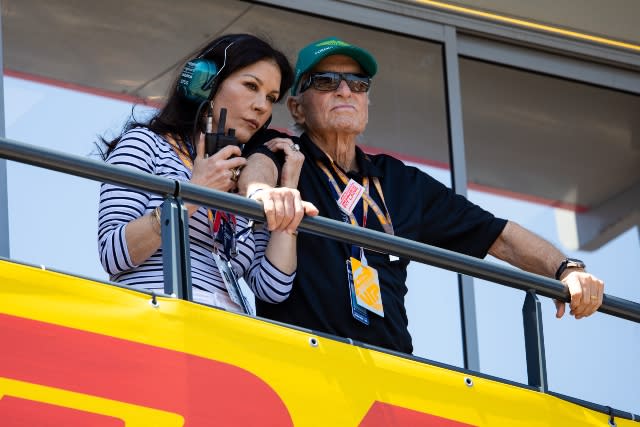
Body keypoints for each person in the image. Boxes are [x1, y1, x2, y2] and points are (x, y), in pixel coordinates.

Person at [239, 37, 605, 354]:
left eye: (358, 83)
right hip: (302, 358)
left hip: (392, 370)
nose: (345, 90)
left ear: (367, 102)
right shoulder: (285, 152)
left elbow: (498, 236)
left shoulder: (401, 181)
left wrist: (566, 269)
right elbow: (258, 170)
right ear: (297, 106)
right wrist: (261, 193)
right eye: (326, 81)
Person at [98, 34, 316, 312]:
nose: (262, 106)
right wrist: (192, 195)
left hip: (226, 332)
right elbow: (113, 254)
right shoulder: (145, 144)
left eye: (271, 98)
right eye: (251, 86)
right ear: (206, 85)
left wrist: (288, 194)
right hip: (156, 317)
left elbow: (272, 286)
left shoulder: (243, 178)